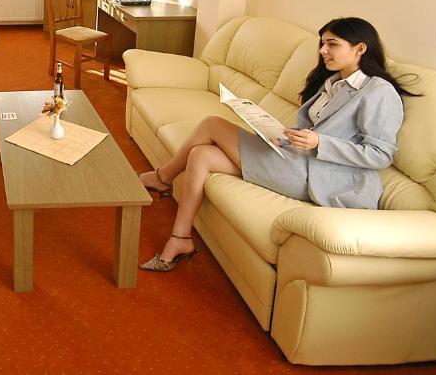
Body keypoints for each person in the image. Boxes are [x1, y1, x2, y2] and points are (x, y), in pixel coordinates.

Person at [138, 17, 415, 272]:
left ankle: (162, 178)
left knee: (212, 124)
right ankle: (181, 238)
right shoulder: (333, 81)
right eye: (322, 44)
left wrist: (320, 142)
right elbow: (313, 130)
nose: (323, 51)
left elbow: (380, 155)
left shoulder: (379, 92)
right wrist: (283, 136)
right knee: (201, 155)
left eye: (332, 44)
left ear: (360, 49)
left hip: (322, 178)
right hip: (297, 159)